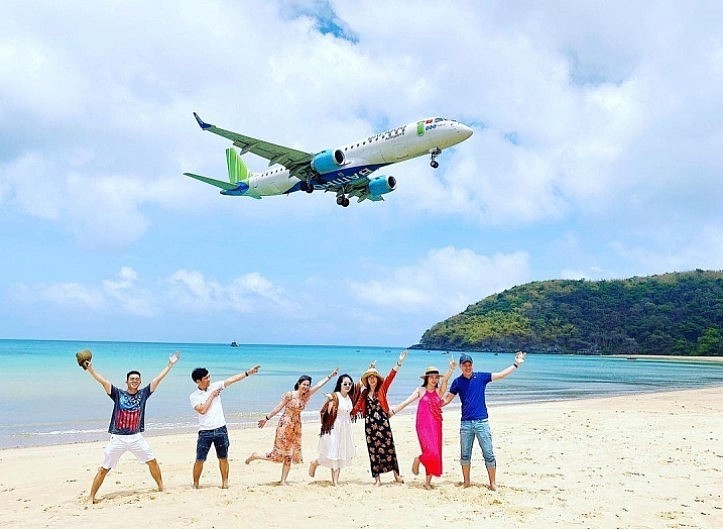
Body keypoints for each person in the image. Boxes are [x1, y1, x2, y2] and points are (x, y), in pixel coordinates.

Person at [83, 351, 180, 503]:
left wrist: (170, 365)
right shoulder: (117, 394)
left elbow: (158, 379)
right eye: (132, 379)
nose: (134, 381)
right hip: (118, 438)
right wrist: (90, 369)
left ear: (140, 382)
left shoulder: (143, 394)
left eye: (137, 379)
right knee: (104, 468)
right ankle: (91, 496)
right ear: (127, 381)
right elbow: (103, 381)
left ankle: (161, 487)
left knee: (152, 461)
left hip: (136, 437)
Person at [442, 351, 526, 490]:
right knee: (465, 454)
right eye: (464, 365)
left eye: (469, 364)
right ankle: (467, 482)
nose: (467, 367)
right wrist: (433, 405)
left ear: (472, 365)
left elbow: (501, 375)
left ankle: (492, 483)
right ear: (461, 367)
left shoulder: (481, 377)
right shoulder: (457, 382)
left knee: (488, 453)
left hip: (482, 422)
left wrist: (516, 364)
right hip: (466, 424)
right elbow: (447, 399)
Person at [245, 368, 338, 485]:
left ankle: (283, 480)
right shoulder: (290, 395)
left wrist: (330, 376)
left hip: (296, 427)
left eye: (308, 385)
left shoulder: (306, 396)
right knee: (277, 455)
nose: (306, 387)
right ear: (299, 384)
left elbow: (319, 385)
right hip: (285, 425)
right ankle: (256, 455)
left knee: (289, 454)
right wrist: (266, 418)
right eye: (304, 384)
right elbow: (278, 407)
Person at [190, 364, 260, 489]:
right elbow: (202, 410)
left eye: (209, 376)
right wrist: (212, 396)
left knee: (223, 457)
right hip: (205, 431)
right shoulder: (194, 396)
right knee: (200, 459)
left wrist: (248, 372)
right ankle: (195, 484)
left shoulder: (216, 386)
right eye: (206, 378)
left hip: (221, 428)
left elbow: (231, 380)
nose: (209, 379)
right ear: (198, 381)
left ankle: (225, 482)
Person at [390, 358, 455, 490]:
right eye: (431, 377)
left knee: (436, 453)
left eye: (436, 377)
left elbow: (446, 381)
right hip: (423, 425)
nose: (434, 380)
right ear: (426, 378)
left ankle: (427, 482)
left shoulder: (439, 391)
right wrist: (393, 411)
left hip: (436, 425)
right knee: (430, 452)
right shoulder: (420, 390)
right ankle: (418, 460)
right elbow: (406, 402)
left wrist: (451, 369)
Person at [350, 350, 407, 485]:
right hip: (370, 427)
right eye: (369, 377)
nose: (372, 379)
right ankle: (377, 480)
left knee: (390, 449)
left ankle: (396, 476)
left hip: (383, 424)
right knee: (373, 451)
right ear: (367, 380)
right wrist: (343, 413)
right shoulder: (364, 393)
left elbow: (391, 376)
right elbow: (356, 406)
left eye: (374, 376)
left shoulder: (382, 388)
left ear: (377, 378)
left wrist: (399, 362)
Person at [308, 373, 359, 485]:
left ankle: (331, 477)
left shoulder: (350, 397)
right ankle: (317, 465)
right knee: (333, 453)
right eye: (345, 383)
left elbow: (361, 385)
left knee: (339, 454)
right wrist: (330, 403)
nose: (347, 385)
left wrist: (370, 369)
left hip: (345, 429)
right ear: (340, 384)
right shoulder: (334, 396)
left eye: (350, 384)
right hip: (334, 428)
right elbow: (325, 412)